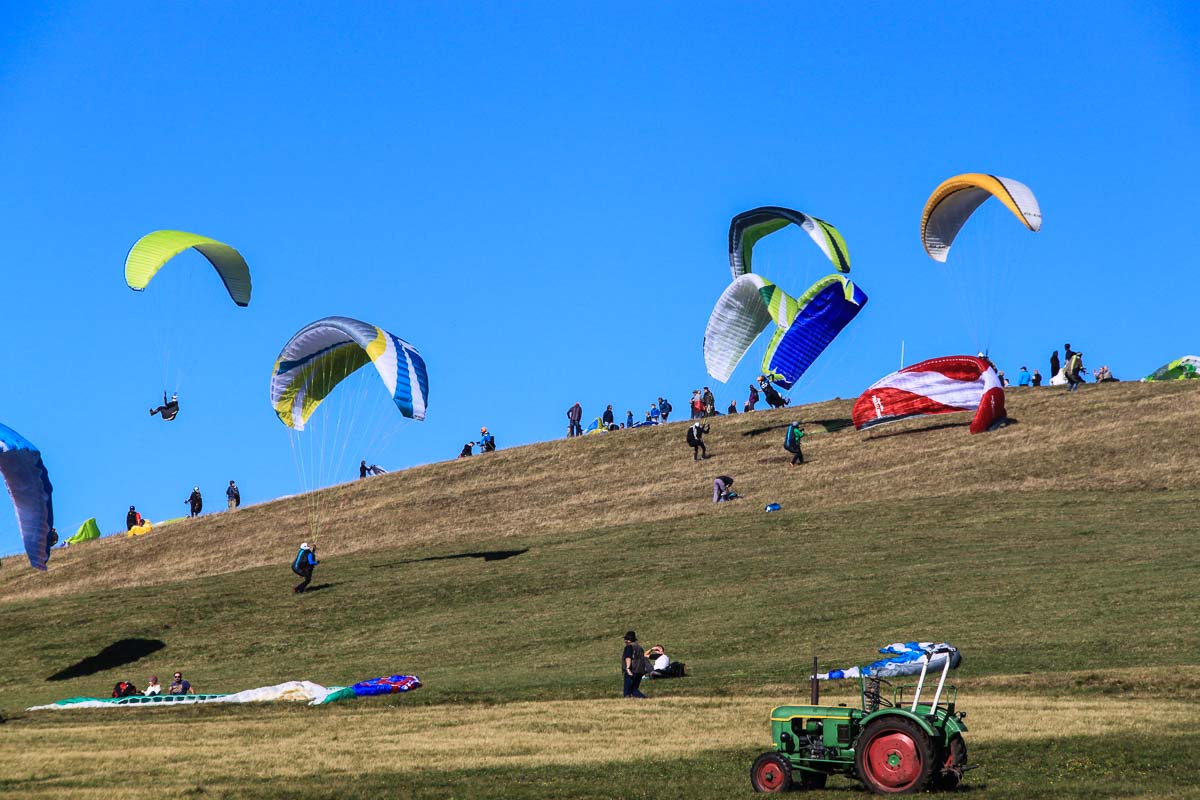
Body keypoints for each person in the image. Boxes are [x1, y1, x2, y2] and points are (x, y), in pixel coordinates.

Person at [621, 630, 648, 698]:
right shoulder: (640, 648)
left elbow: (628, 658)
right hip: (640, 670)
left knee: (627, 690)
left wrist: (628, 668)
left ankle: (627, 700)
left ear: (627, 640)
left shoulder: (629, 647)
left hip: (632, 670)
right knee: (634, 689)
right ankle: (644, 699)